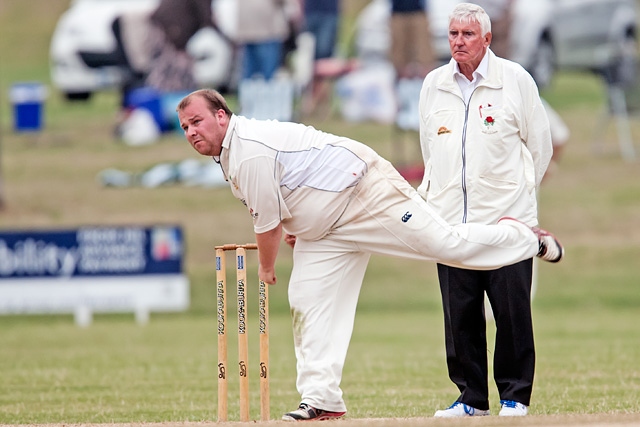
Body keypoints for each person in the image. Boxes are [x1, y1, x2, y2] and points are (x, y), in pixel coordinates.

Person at [176, 88, 563, 421]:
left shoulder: (249, 149)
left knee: (446, 245)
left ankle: (524, 237)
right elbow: (287, 188)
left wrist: (265, 267)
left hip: (363, 192)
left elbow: (267, 224)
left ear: (222, 116)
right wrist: (299, 224)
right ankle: (322, 399)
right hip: (326, 230)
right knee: (307, 301)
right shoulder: (231, 154)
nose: (192, 132)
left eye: (197, 122)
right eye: (185, 128)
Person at [417, 3, 553, 417]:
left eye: (468, 35)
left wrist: (520, 200)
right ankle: (470, 398)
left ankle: (515, 396)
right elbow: (429, 150)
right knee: (460, 315)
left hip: (505, 222)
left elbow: (540, 147)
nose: (458, 41)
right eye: (453, 34)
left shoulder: (514, 80)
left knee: (511, 312)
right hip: (451, 224)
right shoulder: (434, 84)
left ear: (487, 39)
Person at [144, 0, 216, 92]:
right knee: (174, 72)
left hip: (167, 27)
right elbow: (206, 17)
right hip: (170, 30)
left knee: (168, 71)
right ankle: (170, 97)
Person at [236, 0, 301, 81]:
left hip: (247, 26)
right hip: (267, 29)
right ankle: (266, 90)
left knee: (249, 70)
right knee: (268, 74)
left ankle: (247, 90)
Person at [389, 0, 436, 80]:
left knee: (424, 51)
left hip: (418, 10)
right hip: (398, 11)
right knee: (399, 51)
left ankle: (428, 80)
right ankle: (402, 79)